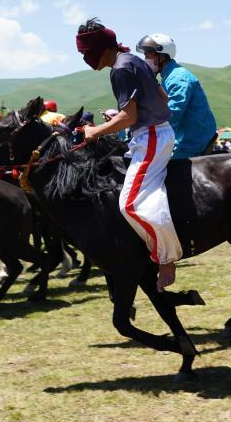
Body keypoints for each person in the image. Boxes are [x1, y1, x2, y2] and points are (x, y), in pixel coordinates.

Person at [76, 18, 181, 291]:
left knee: (130, 204)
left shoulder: (120, 69)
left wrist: (95, 131)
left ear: (98, 49)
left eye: (85, 52)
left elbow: (129, 115)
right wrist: (126, 117)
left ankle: (166, 258)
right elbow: (161, 97)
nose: (84, 58)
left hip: (151, 136)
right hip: (155, 132)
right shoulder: (133, 60)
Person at [136, 33, 217, 159]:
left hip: (193, 139)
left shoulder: (178, 77)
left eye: (148, 55)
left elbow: (173, 112)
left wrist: (145, 127)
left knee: (162, 169)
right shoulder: (167, 77)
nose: (146, 59)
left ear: (162, 55)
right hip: (183, 137)